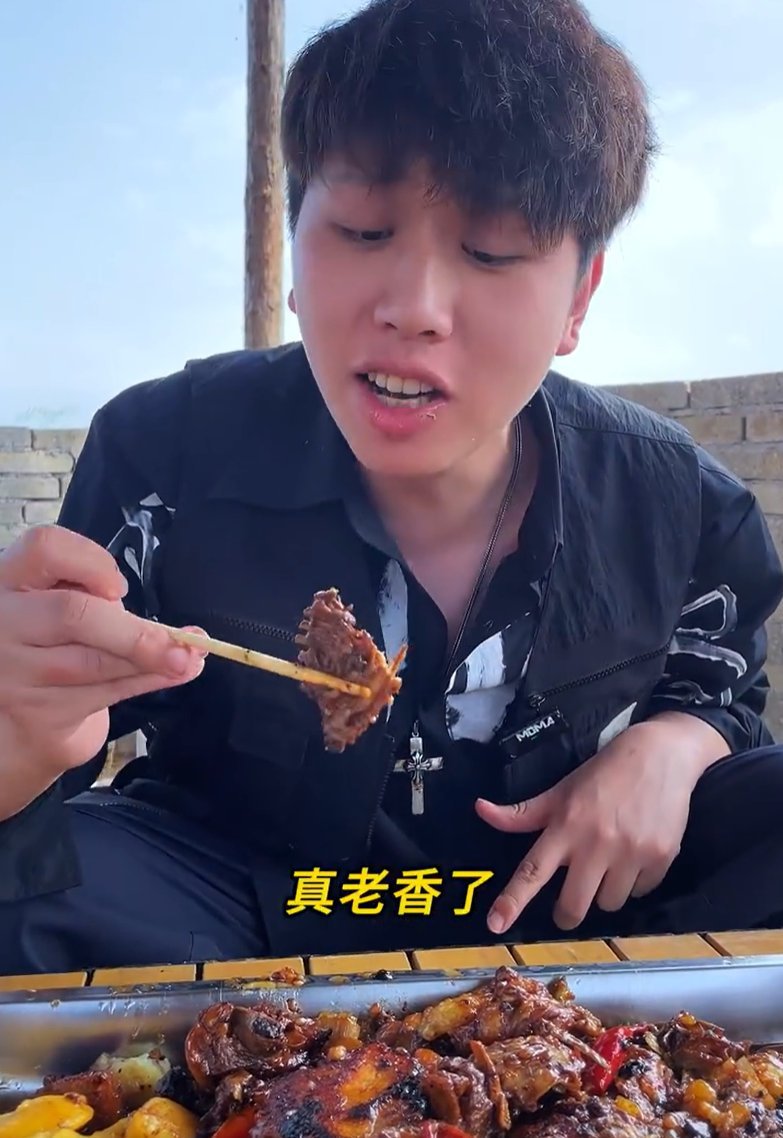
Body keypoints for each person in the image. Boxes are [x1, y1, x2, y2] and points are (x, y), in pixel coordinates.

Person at [1, 0, 782, 975]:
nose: (413, 308)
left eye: (490, 251)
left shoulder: (676, 500)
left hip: (555, 905)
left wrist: (675, 743)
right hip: (241, 903)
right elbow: (46, 768)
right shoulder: (164, 453)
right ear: (295, 249)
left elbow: (720, 687)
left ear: (578, 298)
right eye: (364, 231)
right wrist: (18, 727)